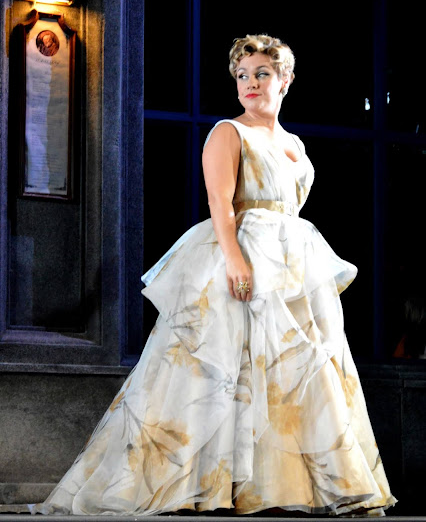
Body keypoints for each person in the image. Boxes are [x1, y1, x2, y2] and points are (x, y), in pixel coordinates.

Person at [29, 34, 396, 516]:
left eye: (261, 73)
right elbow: (220, 202)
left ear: (285, 79)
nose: (250, 83)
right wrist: (236, 260)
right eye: (242, 75)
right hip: (242, 255)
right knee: (224, 372)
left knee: (296, 370)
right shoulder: (228, 132)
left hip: (291, 264)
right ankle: (208, 485)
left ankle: (286, 488)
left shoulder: (294, 143)